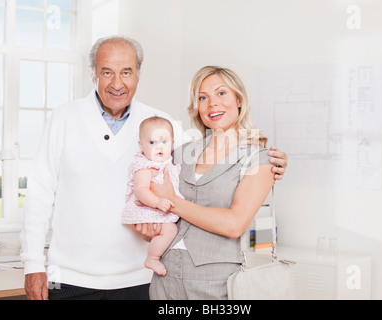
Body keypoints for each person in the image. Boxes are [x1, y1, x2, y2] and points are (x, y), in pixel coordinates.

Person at [20, 35, 288, 300]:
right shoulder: (64, 119)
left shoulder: (162, 124)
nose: (117, 83)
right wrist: (33, 263)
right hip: (71, 278)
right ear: (94, 75)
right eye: (107, 72)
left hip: (141, 279)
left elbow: (217, 159)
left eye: (126, 72)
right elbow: (39, 194)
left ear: (138, 75)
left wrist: (270, 160)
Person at [147, 66, 279, 300]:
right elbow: (153, 203)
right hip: (165, 277)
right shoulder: (180, 153)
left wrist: (172, 201)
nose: (212, 104)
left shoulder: (258, 158)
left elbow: (233, 225)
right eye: (202, 97)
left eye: (221, 93)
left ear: (238, 100)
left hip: (217, 283)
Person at [122, 117, 182, 276]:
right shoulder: (144, 165)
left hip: (160, 206)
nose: (159, 147)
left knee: (171, 230)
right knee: (170, 230)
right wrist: (157, 202)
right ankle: (152, 258)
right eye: (152, 143)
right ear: (141, 146)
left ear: (173, 143)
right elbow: (141, 189)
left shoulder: (168, 162)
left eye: (164, 142)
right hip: (148, 207)